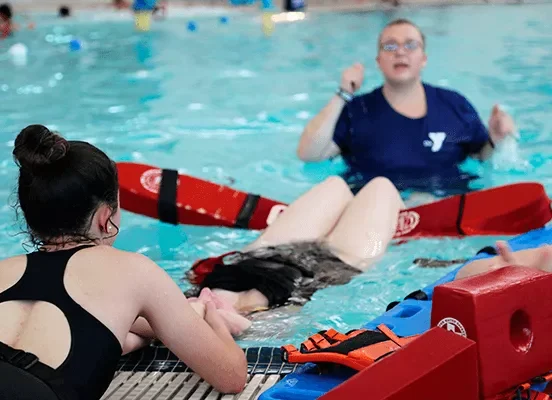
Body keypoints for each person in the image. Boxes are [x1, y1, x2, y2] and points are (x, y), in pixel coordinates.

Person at [0, 125, 247, 400]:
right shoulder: (134, 271)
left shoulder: (4, 270)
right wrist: (214, 321)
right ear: (105, 217)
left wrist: (142, 333)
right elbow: (231, 377)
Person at [187, 175, 552, 326]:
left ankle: (377, 208)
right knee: (378, 187)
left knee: (338, 185)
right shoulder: (237, 319)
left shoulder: (191, 304)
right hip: (326, 268)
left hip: (259, 256)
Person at [297, 18, 516, 195]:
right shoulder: (357, 111)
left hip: (446, 206)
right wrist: (343, 94)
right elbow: (309, 154)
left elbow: (480, 155)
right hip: (374, 213)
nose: (400, 52)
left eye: (410, 45)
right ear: (378, 61)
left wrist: (495, 140)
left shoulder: (454, 105)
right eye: (390, 46)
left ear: (424, 59)